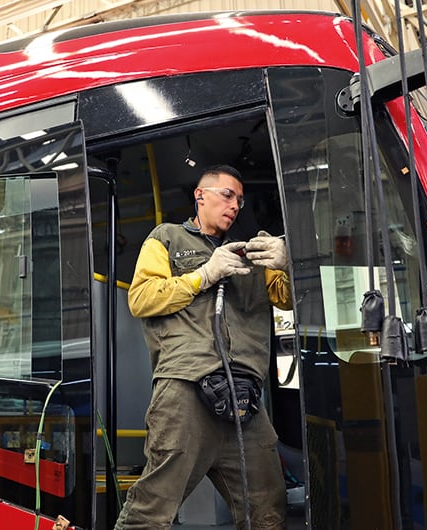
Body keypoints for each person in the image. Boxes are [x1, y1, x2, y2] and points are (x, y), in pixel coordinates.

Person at [115, 164, 292, 530]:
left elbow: (288, 298)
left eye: (239, 200)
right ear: (200, 195)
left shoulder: (253, 251)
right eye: (227, 195)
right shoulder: (167, 238)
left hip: (245, 396)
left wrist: (291, 263)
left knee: (268, 511)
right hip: (186, 390)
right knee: (152, 511)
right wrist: (204, 275)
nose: (235, 205)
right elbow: (142, 298)